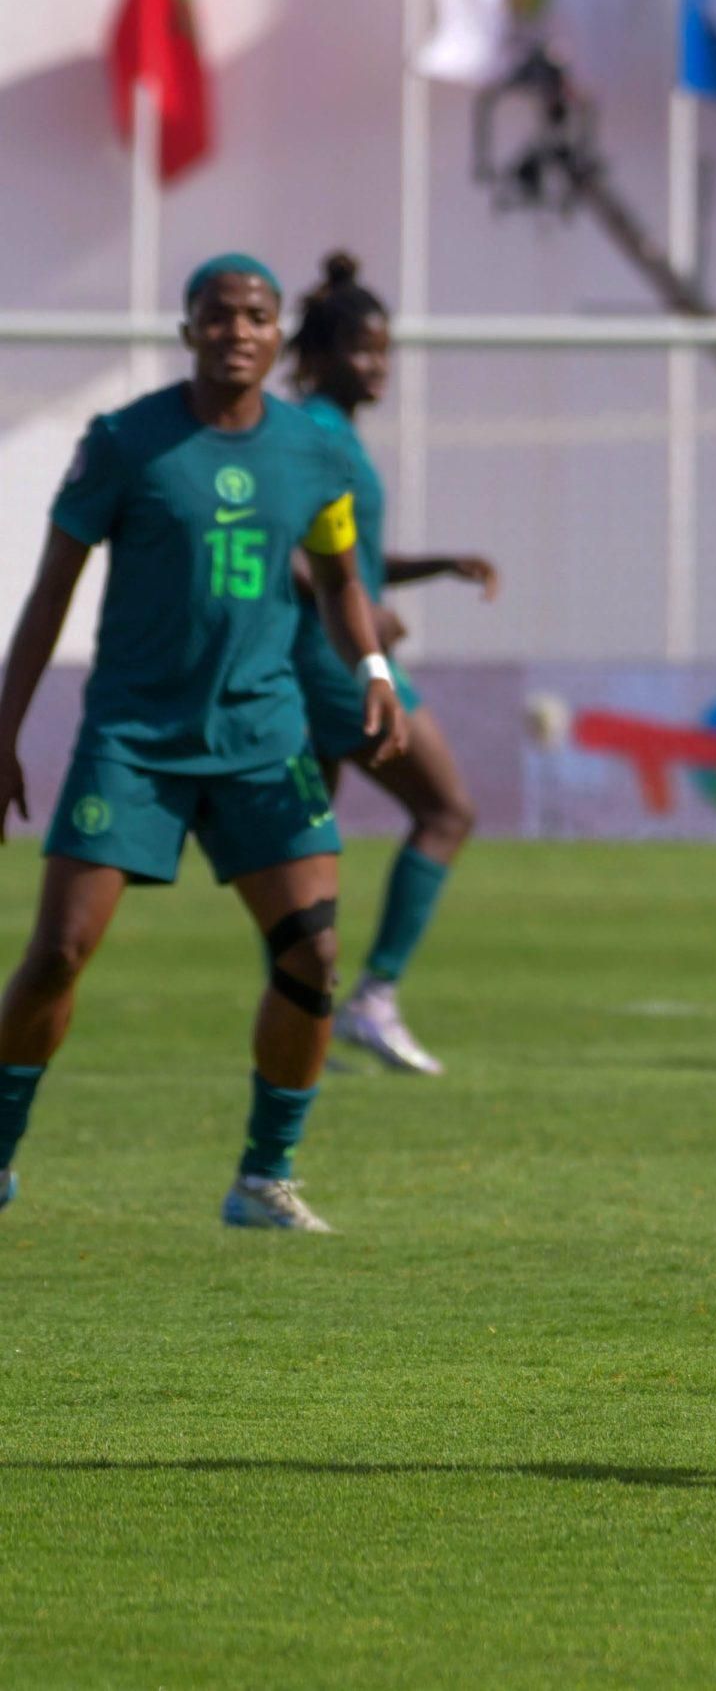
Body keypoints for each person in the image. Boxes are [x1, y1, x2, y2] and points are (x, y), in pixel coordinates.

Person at [0, 253, 407, 1229]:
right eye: (217, 315)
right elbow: (52, 587)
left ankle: (264, 1175)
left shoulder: (316, 453)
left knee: (312, 955)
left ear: (277, 335)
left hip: (263, 735)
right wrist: (5, 725)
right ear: (188, 331)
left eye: (255, 316)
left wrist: (373, 672)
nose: (236, 330)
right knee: (58, 951)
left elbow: (342, 578)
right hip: (134, 737)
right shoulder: (124, 442)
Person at [284, 252, 498, 1076]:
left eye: (384, 350)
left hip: (336, 652)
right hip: (342, 662)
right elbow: (286, 549)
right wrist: (361, 613)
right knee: (448, 811)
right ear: (323, 352)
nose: (378, 366)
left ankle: (304, 1011)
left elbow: (350, 554)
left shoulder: (332, 432)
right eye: (363, 349)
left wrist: (436, 564)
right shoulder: (309, 432)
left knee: (310, 842)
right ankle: (373, 999)